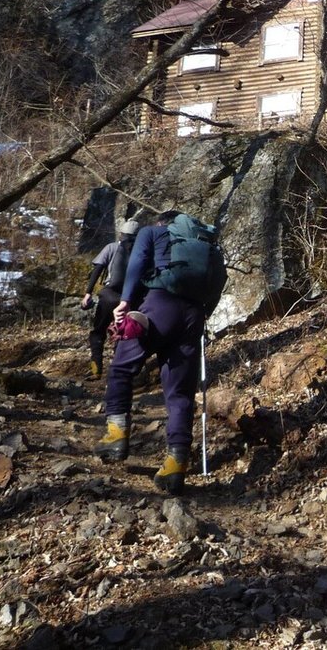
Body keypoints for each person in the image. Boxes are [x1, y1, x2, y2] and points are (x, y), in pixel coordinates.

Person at [94, 210, 206, 494]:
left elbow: (136, 264)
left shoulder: (152, 233)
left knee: (121, 367)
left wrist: (125, 301)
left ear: (161, 223)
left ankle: (116, 435)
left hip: (159, 306)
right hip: (195, 315)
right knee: (180, 392)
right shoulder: (204, 245)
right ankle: (175, 464)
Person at [80, 219, 141, 379]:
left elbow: (97, 270)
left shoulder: (112, 247)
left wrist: (88, 293)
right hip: (131, 299)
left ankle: (96, 368)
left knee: (98, 332)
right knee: (124, 334)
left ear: (121, 233)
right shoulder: (141, 251)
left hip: (109, 297)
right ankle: (118, 372)